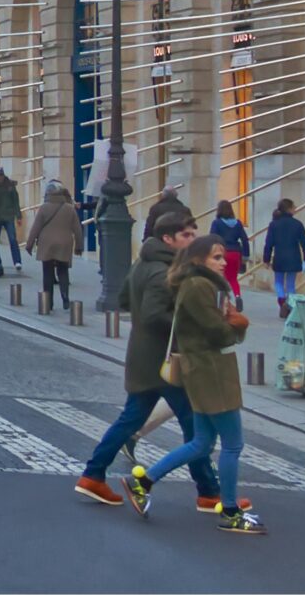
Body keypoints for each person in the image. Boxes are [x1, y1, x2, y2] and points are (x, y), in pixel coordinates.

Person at [71, 212, 230, 513]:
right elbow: (154, 313)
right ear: (168, 239)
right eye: (187, 235)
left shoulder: (144, 263)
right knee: (195, 428)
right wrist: (190, 321)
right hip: (164, 363)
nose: (193, 240)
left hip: (145, 357)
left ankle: (93, 474)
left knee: (132, 419)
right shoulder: (162, 271)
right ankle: (208, 492)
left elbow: (125, 300)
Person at [123, 235, 257, 533]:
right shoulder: (198, 286)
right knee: (233, 444)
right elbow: (217, 332)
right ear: (198, 260)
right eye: (216, 257)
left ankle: (143, 482)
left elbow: (218, 327)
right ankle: (232, 511)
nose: (224, 263)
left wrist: (232, 323)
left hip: (206, 370)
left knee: (202, 443)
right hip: (210, 373)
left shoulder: (202, 285)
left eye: (223, 257)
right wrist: (237, 324)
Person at [27, 182, 77, 308]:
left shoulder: (44, 208)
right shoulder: (69, 208)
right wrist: (80, 245)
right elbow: (77, 229)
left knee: (47, 272)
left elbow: (36, 227)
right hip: (64, 243)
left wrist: (29, 244)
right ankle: (65, 297)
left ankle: (48, 302)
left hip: (47, 243)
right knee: (63, 271)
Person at [262, 198, 305, 318]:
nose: (295, 208)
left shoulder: (274, 225)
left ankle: (281, 300)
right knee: (290, 284)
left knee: (278, 282)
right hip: (294, 257)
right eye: (294, 206)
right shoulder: (297, 224)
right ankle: (290, 306)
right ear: (289, 209)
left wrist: (266, 259)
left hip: (279, 257)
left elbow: (268, 243)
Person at [209, 200, 248, 296]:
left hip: (222, 253)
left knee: (221, 278)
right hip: (235, 253)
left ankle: (223, 299)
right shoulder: (238, 223)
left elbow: (212, 238)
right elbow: (244, 239)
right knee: (233, 279)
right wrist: (246, 255)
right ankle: (237, 296)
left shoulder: (216, 223)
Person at [0, 168, 24, 271]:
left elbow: (16, 201)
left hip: (9, 215)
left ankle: (17, 261)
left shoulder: (10, 186)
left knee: (12, 239)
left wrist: (18, 216)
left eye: (0, 175)